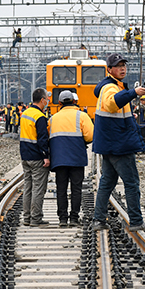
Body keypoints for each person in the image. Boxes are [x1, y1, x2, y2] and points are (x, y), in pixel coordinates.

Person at [91, 53, 145, 231]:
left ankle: (98, 220)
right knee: (132, 183)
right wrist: (134, 92)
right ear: (109, 70)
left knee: (107, 182)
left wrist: (128, 117)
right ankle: (136, 221)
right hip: (118, 145)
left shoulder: (111, 86)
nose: (122, 68)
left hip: (110, 143)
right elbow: (112, 104)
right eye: (118, 66)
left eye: (124, 65)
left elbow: (114, 111)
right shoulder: (110, 88)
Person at [49, 90, 94, 228]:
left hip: (59, 160)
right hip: (77, 158)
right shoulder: (82, 116)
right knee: (76, 189)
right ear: (74, 101)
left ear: (60, 103)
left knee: (61, 189)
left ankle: (62, 219)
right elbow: (90, 136)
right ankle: (74, 218)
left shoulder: (52, 119)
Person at [20, 88, 51, 227]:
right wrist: (46, 156)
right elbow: (43, 139)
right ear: (42, 100)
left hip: (25, 155)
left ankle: (27, 217)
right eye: (46, 99)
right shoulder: (40, 117)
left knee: (28, 187)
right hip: (37, 156)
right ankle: (36, 218)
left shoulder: (25, 113)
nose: (47, 101)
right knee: (38, 188)